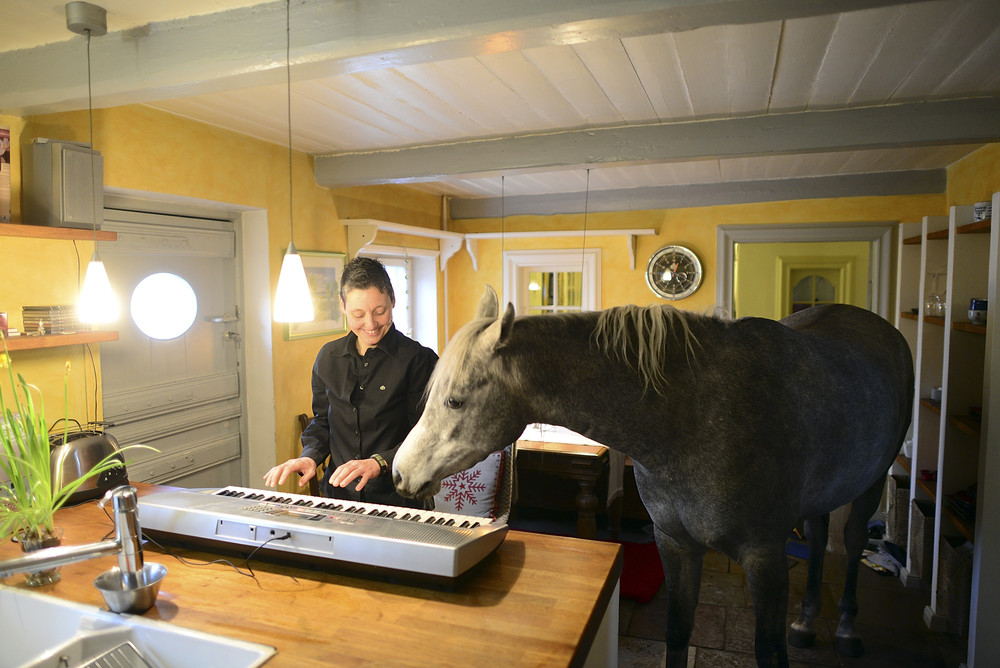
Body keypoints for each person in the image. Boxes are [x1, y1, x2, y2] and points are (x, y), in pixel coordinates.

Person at [263, 257, 437, 507]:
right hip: (340, 499)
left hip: (401, 500)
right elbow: (323, 422)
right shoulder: (328, 357)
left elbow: (427, 435)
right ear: (342, 305)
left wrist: (379, 462)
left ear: (393, 300)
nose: (371, 324)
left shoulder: (419, 360)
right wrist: (310, 456)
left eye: (380, 311)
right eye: (358, 314)